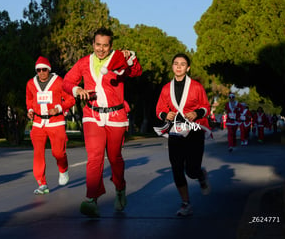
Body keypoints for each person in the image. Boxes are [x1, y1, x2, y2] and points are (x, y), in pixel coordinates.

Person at [63, 27, 142, 218]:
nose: (101, 49)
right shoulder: (83, 63)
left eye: (105, 46)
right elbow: (66, 82)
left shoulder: (118, 59)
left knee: (114, 158)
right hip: (92, 115)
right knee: (95, 157)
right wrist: (76, 90)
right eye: (98, 45)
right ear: (93, 44)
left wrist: (131, 57)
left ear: (111, 46)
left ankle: (120, 188)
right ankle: (91, 199)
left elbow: (135, 72)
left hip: (116, 117)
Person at [155, 53, 211, 217]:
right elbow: (159, 110)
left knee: (191, 170)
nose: (178, 66)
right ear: (172, 66)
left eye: (182, 64)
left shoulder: (196, 87)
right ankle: (186, 203)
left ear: (188, 68)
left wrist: (197, 113)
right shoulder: (166, 88)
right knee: (177, 169)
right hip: (175, 132)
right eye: (176, 63)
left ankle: (200, 175)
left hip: (194, 130)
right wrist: (166, 116)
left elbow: (206, 107)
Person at [26, 56, 76, 195]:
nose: (41, 72)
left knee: (58, 153)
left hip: (56, 122)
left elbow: (71, 99)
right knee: (38, 154)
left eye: (44, 69)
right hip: (38, 123)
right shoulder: (30, 83)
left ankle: (63, 169)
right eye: (38, 70)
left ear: (49, 69)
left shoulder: (59, 82)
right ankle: (42, 184)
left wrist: (58, 108)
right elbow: (29, 99)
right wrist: (30, 110)